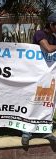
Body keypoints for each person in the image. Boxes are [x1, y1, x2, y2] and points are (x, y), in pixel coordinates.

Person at [21, 12, 56, 146]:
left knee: (47, 104)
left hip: (48, 79)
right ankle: (26, 132)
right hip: (35, 78)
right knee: (31, 102)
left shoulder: (54, 37)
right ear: (52, 25)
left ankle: (45, 130)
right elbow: (47, 49)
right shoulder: (39, 34)